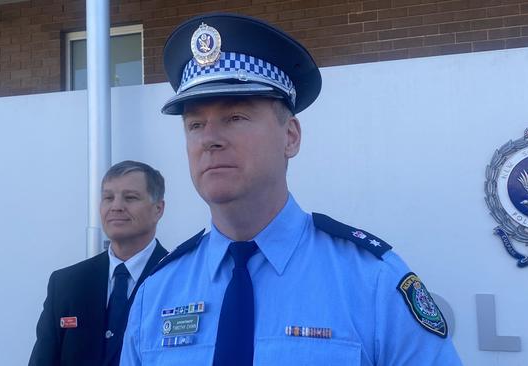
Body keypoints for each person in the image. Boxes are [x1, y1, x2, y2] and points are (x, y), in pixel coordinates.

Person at [119, 13, 462, 366]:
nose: (209, 139)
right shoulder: (157, 293)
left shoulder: (371, 282)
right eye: (195, 124)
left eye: (235, 117)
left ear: (291, 136)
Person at [29, 160, 169, 366]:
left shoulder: (178, 276)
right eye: (108, 198)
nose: (116, 206)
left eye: (130, 197)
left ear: (158, 209)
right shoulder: (67, 284)